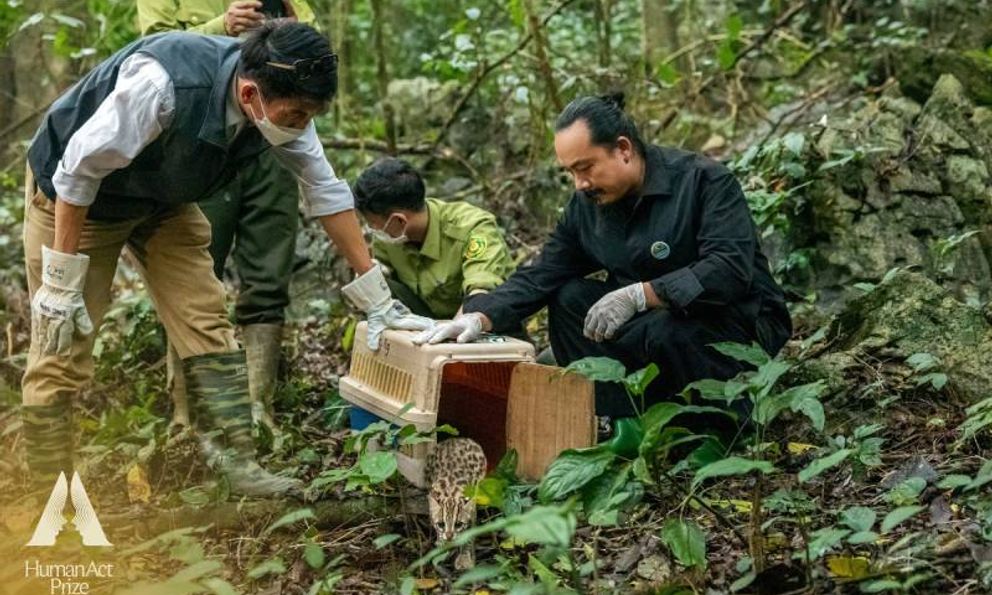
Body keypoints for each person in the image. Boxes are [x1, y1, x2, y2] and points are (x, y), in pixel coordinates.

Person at [21, 21, 431, 498]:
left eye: (309, 115)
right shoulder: (161, 85)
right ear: (251, 93)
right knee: (60, 342)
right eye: (296, 113)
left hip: (162, 202)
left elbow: (325, 191)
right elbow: (77, 172)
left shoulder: (284, 107)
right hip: (77, 203)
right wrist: (59, 281)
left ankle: (239, 467)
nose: (301, 124)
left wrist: (376, 296)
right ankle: (49, 493)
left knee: (206, 321)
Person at [417, 93, 792, 449]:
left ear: (624, 149)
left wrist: (642, 294)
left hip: (736, 320)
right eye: (570, 172)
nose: (580, 183)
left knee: (670, 327)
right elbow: (544, 272)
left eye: (586, 167)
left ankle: (720, 431)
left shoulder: (704, 181)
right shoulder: (588, 205)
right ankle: (623, 419)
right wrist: (480, 315)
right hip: (652, 326)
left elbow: (728, 269)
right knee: (568, 299)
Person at [135, 0, 319, 432]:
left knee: (269, 272)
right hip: (201, 135)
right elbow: (152, 51)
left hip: (270, 139)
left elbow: (312, 44)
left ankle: (259, 409)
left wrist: (286, 29)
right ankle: (184, 411)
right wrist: (224, 24)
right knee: (190, 276)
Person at [353, 158, 516, 320]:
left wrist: (457, 333)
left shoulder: (472, 228)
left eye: (373, 224)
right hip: (428, 322)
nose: (372, 230)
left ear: (399, 220)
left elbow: (482, 291)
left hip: (485, 323)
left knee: (482, 306)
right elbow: (386, 280)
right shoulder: (389, 237)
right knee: (373, 285)